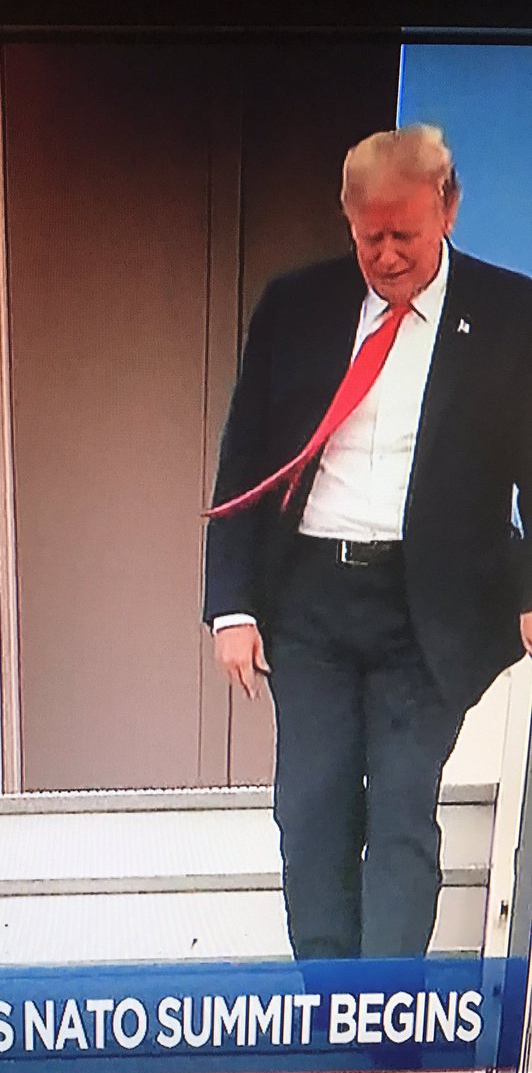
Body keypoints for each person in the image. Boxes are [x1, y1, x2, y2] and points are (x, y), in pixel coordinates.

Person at [204, 124, 532, 959]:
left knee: (400, 806)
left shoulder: (510, 314)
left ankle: (385, 1009)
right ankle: (328, 1005)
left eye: (405, 236)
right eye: (369, 237)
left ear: (448, 210)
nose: (386, 256)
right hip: (311, 599)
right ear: (347, 221)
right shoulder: (296, 304)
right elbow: (246, 455)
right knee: (311, 805)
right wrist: (231, 606)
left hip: (434, 607)